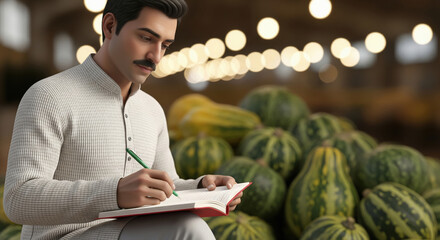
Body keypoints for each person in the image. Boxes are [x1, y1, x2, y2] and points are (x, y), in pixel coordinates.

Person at [3, 0, 242, 239]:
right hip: (63, 236)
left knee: (188, 225)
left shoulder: (152, 110)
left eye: (165, 45)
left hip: (131, 231)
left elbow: (167, 188)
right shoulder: (49, 96)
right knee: (188, 229)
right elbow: (17, 198)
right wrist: (115, 193)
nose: (155, 57)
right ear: (109, 26)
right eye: (146, 38)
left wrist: (203, 190)